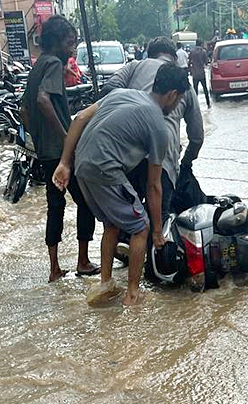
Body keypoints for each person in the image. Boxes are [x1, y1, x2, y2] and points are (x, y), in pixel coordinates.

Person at [53, 64, 190, 306]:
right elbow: (154, 186)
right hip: (105, 168)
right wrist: (157, 232)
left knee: (113, 224)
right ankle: (133, 294)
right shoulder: (159, 125)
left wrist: (65, 163)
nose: (176, 105)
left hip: (81, 165)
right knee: (140, 227)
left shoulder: (122, 94)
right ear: (171, 95)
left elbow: (80, 118)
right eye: (178, 99)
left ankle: (105, 285)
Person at [20, 15, 98, 282]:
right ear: (57, 42)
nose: (72, 48)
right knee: (86, 202)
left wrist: (39, 139)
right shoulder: (53, 63)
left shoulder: (38, 64)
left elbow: (24, 111)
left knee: (55, 206)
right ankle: (83, 261)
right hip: (62, 153)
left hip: (45, 152)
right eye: (70, 42)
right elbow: (42, 100)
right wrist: (67, 138)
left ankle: (54, 268)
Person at [99, 36, 204, 224]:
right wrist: (185, 163)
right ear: (173, 57)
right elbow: (196, 137)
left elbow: (109, 88)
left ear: (149, 54)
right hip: (163, 159)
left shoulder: (134, 66)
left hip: (127, 156)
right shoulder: (182, 83)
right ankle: (157, 247)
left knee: (125, 218)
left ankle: (127, 247)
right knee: (160, 220)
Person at [189, 39, 211, 108]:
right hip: (202, 73)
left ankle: (195, 106)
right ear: (201, 44)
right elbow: (206, 62)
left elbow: (189, 62)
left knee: (195, 90)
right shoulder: (203, 52)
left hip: (195, 74)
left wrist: (190, 71)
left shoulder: (192, 52)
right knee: (205, 89)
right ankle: (208, 104)